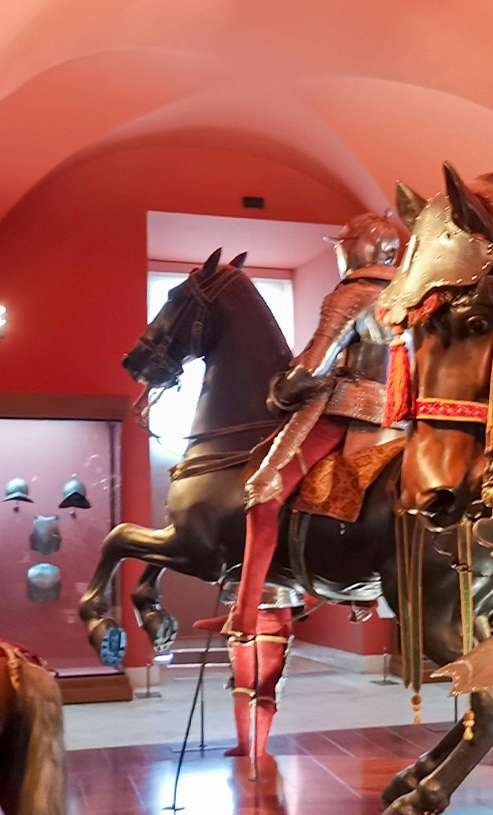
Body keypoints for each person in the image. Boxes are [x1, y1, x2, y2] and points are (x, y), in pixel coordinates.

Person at [195, 212, 404, 757]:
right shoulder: (412, 296)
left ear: (354, 249)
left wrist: (282, 388)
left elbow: (312, 366)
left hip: (345, 414)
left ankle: (244, 615)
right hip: (400, 421)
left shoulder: (350, 295)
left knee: (263, 490)